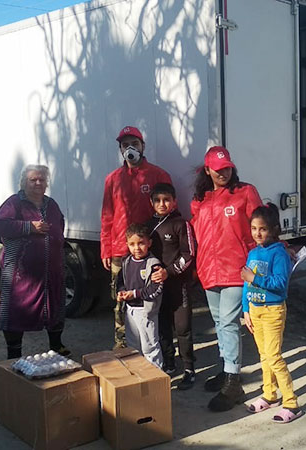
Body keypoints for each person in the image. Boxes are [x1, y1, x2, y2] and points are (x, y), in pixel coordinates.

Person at [190, 145, 263, 412]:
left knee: (230, 323)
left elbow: (261, 227)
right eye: (218, 169)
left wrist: (267, 257)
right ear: (207, 170)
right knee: (219, 321)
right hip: (208, 270)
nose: (224, 173)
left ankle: (233, 382)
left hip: (236, 269)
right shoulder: (200, 200)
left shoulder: (245, 192)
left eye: (227, 168)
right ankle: (226, 368)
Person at [101, 126, 172, 349]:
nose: (130, 148)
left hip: (148, 251)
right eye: (125, 145)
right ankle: (122, 344)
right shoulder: (113, 179)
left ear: (143, 146)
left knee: (152, 298)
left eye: (135, 143)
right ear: (120, 149)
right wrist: (106, 248)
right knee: (120, 298)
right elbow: (107, 215)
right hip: (120, 251)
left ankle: (155, 343)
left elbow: (169, 210)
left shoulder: (158, 175)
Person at [0, 164, 69, 359]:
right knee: (15, 310)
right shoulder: (14, 203)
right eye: (33, 179)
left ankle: (56, 345)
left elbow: (60, 223)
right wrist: (29, 227)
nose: (38, 183)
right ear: (23, 183)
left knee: (54, 308)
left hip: (51, 271)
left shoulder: (51, 204)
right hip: (20, 273)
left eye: (41, 179)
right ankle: (14, 352)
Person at [240, 203, 302, 423]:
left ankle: (291, 403)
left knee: (274, 356)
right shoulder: (253, 253)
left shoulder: (279, 254)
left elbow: (280, 283)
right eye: (254, 228)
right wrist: (246, 309)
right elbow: (246, 284)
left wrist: (254, 278)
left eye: (263, 229)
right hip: (255, 311)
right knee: (264, 355)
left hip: (273, 311)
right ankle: (269, 394)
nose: (257, 233)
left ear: (274, 229)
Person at [145, 182, 197, 389]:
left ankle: (189, 368)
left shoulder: (181, 224)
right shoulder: (147, 225)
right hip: (157, 287)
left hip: (178, 285)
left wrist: (170, 271)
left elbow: (189, 254)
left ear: (174, 201)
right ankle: (169, 362)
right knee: (162, 326)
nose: (162, 204)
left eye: (166, 200)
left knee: (182, 328)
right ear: (151, 203)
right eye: (157, 200)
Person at [115, 223, 165, 368]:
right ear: (127, 245)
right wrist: (121, 292)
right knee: (133, 345)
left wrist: (135, 294)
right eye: (132, 244)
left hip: (146, 311)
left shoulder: (153, 264)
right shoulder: (126, 261)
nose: (136, 248)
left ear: (149, 243)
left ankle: (156, 373)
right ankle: (139, 372)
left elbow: (156, 289)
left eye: (141, 243)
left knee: (149, 346)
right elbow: (120, 281)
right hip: (130, 310)